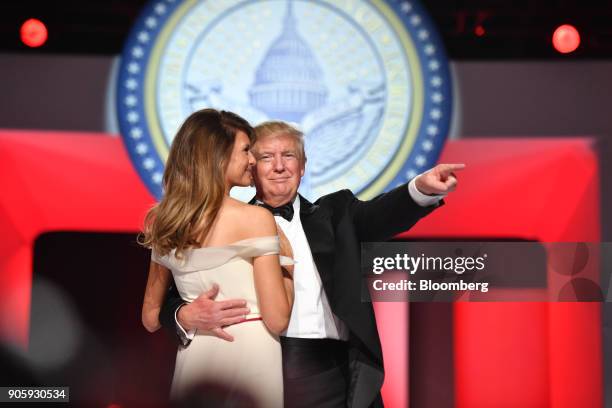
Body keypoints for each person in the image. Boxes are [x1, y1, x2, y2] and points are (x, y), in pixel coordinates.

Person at [160, 120, 464, 407]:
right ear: (250, 168)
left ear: (302, 166)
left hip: (331, 372)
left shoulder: (336, 214)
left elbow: (381, 214)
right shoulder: (222, 223)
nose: (279, 166)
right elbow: (173, 291)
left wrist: (420, 190)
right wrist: (183, 314)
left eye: (289, 155)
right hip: (257, 361)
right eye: (266, 156)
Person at [141, 109, 294, 407]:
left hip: (196, 356)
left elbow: (150, 316)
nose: (253, 160)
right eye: (246, 150)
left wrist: (184, 315)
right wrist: (288, 264)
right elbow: (277, 319)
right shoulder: (255, 219)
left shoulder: (164, 220)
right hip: (252, 354)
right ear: (218, 155)